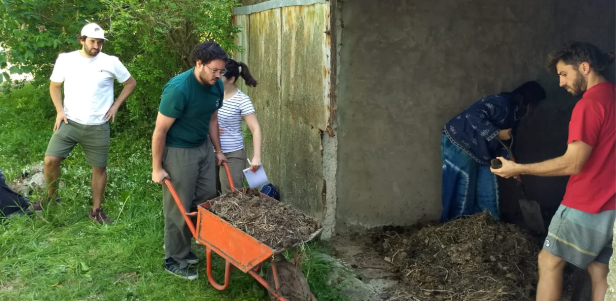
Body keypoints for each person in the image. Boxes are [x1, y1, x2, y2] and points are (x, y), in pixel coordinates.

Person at [491, 42, 615, 301]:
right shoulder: (612, 96)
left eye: (563, 74)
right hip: (610, 206)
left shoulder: (589, 105)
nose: (560, 83)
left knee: (549, 262)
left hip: (585, 203)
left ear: (584, 67)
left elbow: (573, 163)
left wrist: (519, 167)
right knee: (600, 270)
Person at [34, 23, 137, 224]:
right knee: (50, 160)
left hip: (98, 124)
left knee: (99, 168)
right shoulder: (66, 60)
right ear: (82, 40)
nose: (97, 46)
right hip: (70, 121)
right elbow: (54, 86)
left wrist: (116, 105)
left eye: (100, 42)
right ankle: (51, 198)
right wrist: (59, 110)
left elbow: (130, 83)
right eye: (93, 41)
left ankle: (96, 210)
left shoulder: (111, 62)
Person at [151, 41, 228, 280]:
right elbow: (160, 131)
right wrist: (157, 168)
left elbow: (212, 119)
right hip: (179, 150)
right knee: (179, 207)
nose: (218, 75)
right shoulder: (179, 89)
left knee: (206, 198)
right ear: (199, 64)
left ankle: (190, 245)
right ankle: (174, 257)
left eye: (221, 71)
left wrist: (218, 150)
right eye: (214, 70)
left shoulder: (216, 86)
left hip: (203, 147)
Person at [441, 81, 546, 222]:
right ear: (529, 101)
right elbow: (473, 115)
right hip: (460, 140)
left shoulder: (515, 116)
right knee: (462, 188)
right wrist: (496, 133)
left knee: (488, 190)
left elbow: (506, 144)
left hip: (482, 152)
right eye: (536, 105)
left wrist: (513, 166)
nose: (535, 109)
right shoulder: (501, 102)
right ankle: (455, 225)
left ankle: (488, 227)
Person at [217, 59, 262, 193]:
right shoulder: (213, 95)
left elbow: (255, 129)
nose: (216, 77)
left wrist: (257, 156)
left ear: (231, 79)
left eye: (221, 75)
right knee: (210, 196)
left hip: (232, 154)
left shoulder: (242, 100)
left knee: (230, 197)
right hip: (210, 152)